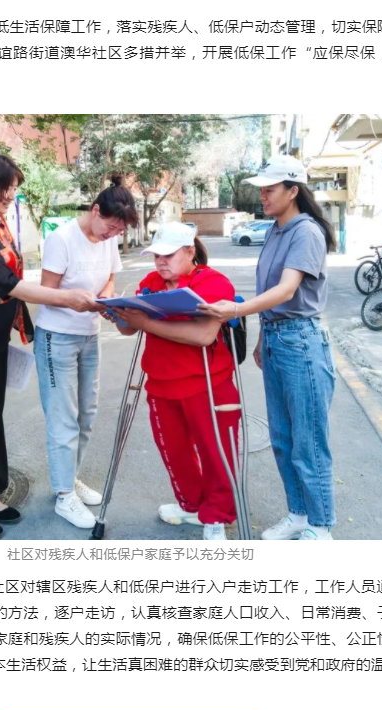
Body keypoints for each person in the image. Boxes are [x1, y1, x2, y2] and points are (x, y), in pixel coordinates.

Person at [0, 152, 98, 539]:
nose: (11, 194)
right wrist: (65, 298)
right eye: (5, 187)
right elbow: (3, 281)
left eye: (13, 188)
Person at [199, 155, 337, 541]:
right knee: (282, 439)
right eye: (261, 189)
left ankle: (320, 528)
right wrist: (262, 337)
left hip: (301, 342)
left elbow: (287, 290)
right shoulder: (277, 230)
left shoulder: (305, 232)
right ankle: (298, 515)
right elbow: (271, 293)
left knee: (308, 442)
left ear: (292, 191)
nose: (262, 195)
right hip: (278, 339)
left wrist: (236, 310)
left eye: (269, 189)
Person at [110, 222, 240, 542]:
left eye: (168, 255)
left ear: (190, 251)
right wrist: (117, 315)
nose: (160, 262)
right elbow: (130, 329)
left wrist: (145, 322)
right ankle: (193, 505)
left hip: (207, 383)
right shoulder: (150, 283)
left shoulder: (213, 282)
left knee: (216, 452)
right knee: (174, 451)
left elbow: (204, 335)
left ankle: (217, 515)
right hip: (161, 382)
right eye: (156, 255)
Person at [34, 177, 139, 529]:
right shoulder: (62, 239)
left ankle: (70, 477)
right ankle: (65, 495)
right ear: (95, 210)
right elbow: (46, 292)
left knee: (87, 414)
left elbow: (109, 279)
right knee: (63, 417)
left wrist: (106, 297)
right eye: (111, 227)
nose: (113, 235)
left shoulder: (108, 240)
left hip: (89, 335)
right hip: (57, 336)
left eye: (119, 231)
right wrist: (74, 300)